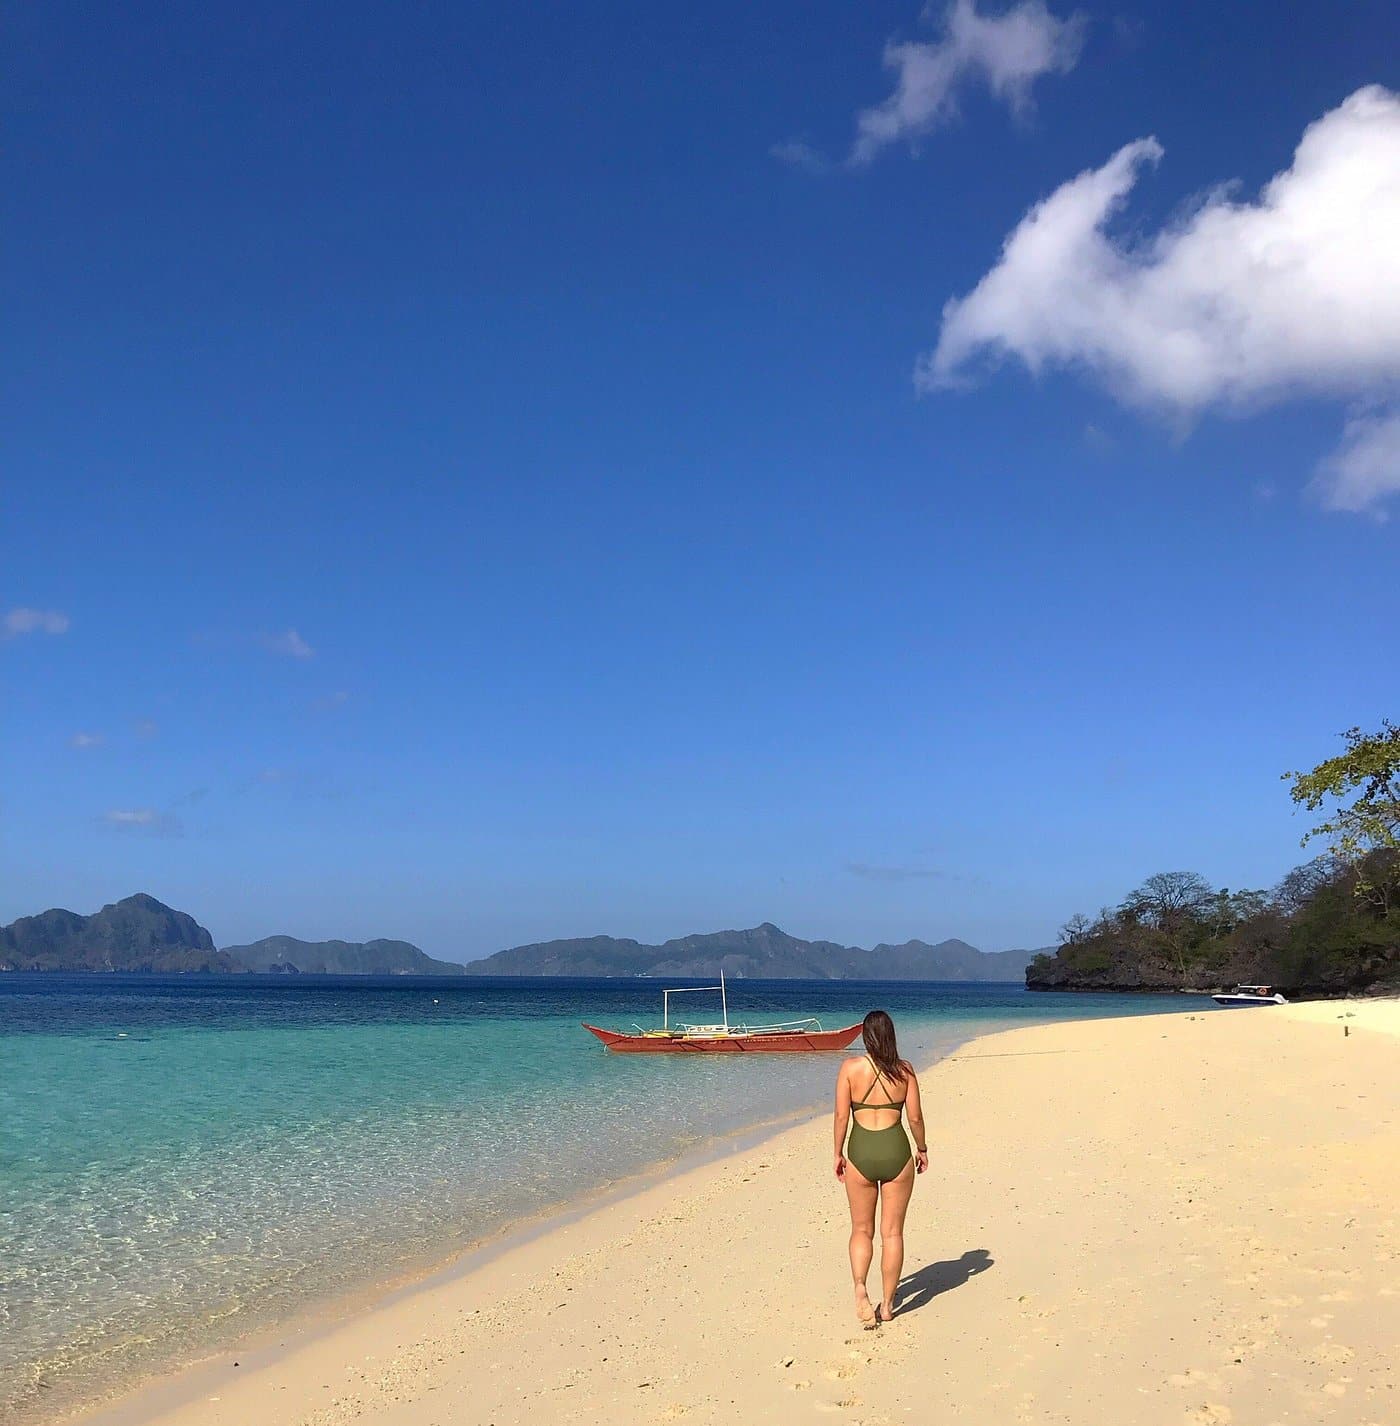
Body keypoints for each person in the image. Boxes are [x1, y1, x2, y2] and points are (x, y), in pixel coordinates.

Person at [832, 1009, 928, 1327]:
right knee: (893, 1232)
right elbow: (914, 1117)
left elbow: (841, 1117)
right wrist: (922, 1148)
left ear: (865, 1037)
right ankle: (887, 1305)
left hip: (860, 1152)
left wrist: (837, 1153)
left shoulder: (849, 1068)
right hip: (896, 1151)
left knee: (862, 1230)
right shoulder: (905, 1071)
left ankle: (861, 1290)